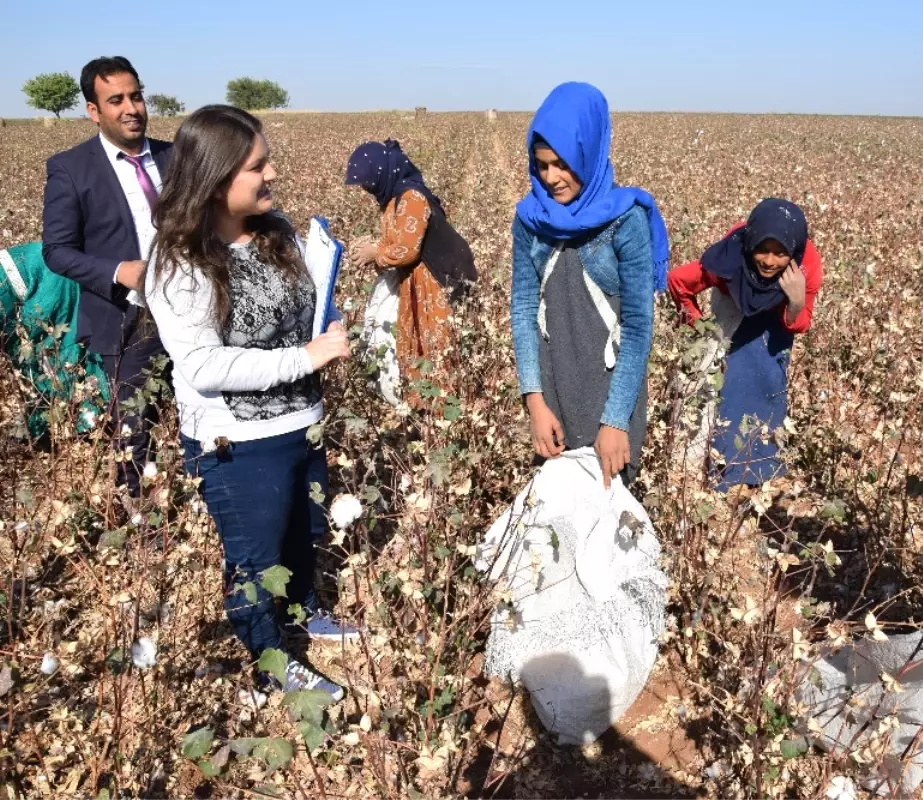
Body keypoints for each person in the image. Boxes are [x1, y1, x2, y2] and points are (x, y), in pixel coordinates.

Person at [144, 105, 359, 701]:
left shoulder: (276, 231)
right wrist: (306, 358)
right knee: (254, 558)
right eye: (257, 167)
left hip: (303, 423)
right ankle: (269, 663)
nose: (271, 177)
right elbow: (205, 367)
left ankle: (304, 614)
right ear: (214, 181)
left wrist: (328, 323)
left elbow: (307, 303)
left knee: (302, 530)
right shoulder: (177, 262)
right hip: (237, 442)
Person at [509, 82, 670, 488]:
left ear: (589, 152)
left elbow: (636, 329)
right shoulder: (530, 219)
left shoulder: (625, 221)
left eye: (562, 164)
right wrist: (535, 401)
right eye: (542, 165)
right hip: (553, 389)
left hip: (609, 392)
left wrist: (615, 421)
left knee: (609, 521)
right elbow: (524, 309)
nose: (551, 178)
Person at [41, 56, 170, 501]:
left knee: (201, 411)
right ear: (93, 111)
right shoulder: (71, 168)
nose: (131, 107)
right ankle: (139, 519)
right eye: (115, 99)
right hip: (127, 317)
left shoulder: (177, 156)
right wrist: (120, 271)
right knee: (135, 425)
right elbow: (56, 252)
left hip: (190, 309)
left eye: (135, 95)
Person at [667, 199, 822, 492]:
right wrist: (699, 327)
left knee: (767, 383)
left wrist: (796, 299)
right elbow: (678, 282)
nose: (768, 261)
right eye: (762, 249)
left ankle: (756, 472)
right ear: (750, 242)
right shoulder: (728, 261)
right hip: (734, 304)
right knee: (721, 388)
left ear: (794, 251)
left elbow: (800, 323)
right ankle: (717, 473)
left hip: (780, 315)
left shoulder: (807, 266)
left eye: (780, 253)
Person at [344, 140, 477, 403]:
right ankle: (421, 401)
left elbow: (407, 250)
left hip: (437, 277)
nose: (366, 189)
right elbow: (398, 240)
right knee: (417, 339)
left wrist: (375, 253)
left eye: (368, 182)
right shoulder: (394, 199)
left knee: (436, 343)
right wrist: (373, 248)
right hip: (418, 278)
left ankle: (443, 407)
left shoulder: (412, 198)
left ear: (382, 173)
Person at [1, 242, 109, 440]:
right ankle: (50, 415)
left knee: (54, 348)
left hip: (47, 280)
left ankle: (86, 417)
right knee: (33, 353)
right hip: (40, 269)